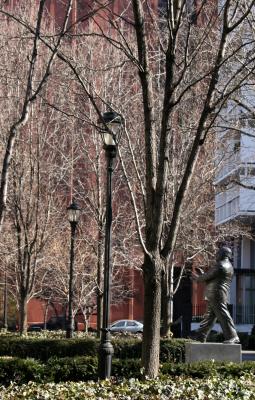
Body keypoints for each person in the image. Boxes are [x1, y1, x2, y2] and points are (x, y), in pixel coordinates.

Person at [192, 246, 240, 344]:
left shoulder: (221, 265)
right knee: (209, 317)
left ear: (223, 254)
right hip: (215, 294)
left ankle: (233, 336)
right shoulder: (227, 265)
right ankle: (200, 337)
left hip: (217, 294)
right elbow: (212, 278)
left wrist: (198, 278)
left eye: (218, 253)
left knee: (223, 315)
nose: (216, 255)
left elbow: (206, 276)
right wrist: (203, 276)